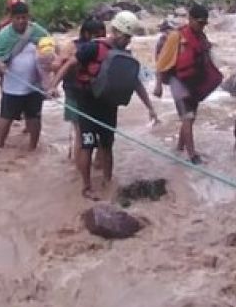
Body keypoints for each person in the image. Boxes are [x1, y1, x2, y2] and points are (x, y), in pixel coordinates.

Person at [51, 11, 159, 199]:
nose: (127, 41)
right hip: (87, 103)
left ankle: (108, 182)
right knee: (87, 145)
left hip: (109, 105)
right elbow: (69, 64)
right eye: (125, 36)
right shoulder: (92, 48)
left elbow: (135, 83)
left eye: (129, 37)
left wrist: (150, 107)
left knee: (107, 146)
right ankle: (86, 187)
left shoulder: (125, 55)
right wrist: (53, 86)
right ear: (115, 32)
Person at [154, 5, 222, 164]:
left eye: (204, 23)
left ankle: (178, 149)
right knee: (188, 116)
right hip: (177, 79)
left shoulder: (202, 38)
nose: (202, 26)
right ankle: (193, 156)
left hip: (194, 81)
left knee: (190, 118)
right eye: (199, 22)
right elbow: (161, 63)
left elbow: (207, 60)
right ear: (190, 19)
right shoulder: (175, 37)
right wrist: (158, 86)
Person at [0, 1, 50, 152]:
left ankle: (33, 148)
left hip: (34, 86)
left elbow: (49, 43)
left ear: (28, 17)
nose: (21, 21)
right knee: (6, 118)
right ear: (11, 18)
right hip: (12, 87)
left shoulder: (36, 31)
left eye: (24, 18)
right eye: (18, 18)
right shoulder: (4, 35)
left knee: (34, 118)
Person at [49, 18, 107, 160]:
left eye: (103, 35)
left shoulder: (103, 46)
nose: (101, 38)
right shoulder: (72, 47)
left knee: (101, 134)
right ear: (86, 34)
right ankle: (78, 170)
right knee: (81, 134)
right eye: (97, 35)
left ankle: (97, 167)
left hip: (96, 95)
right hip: (74, 94)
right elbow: (56, 66)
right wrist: (53, 85)